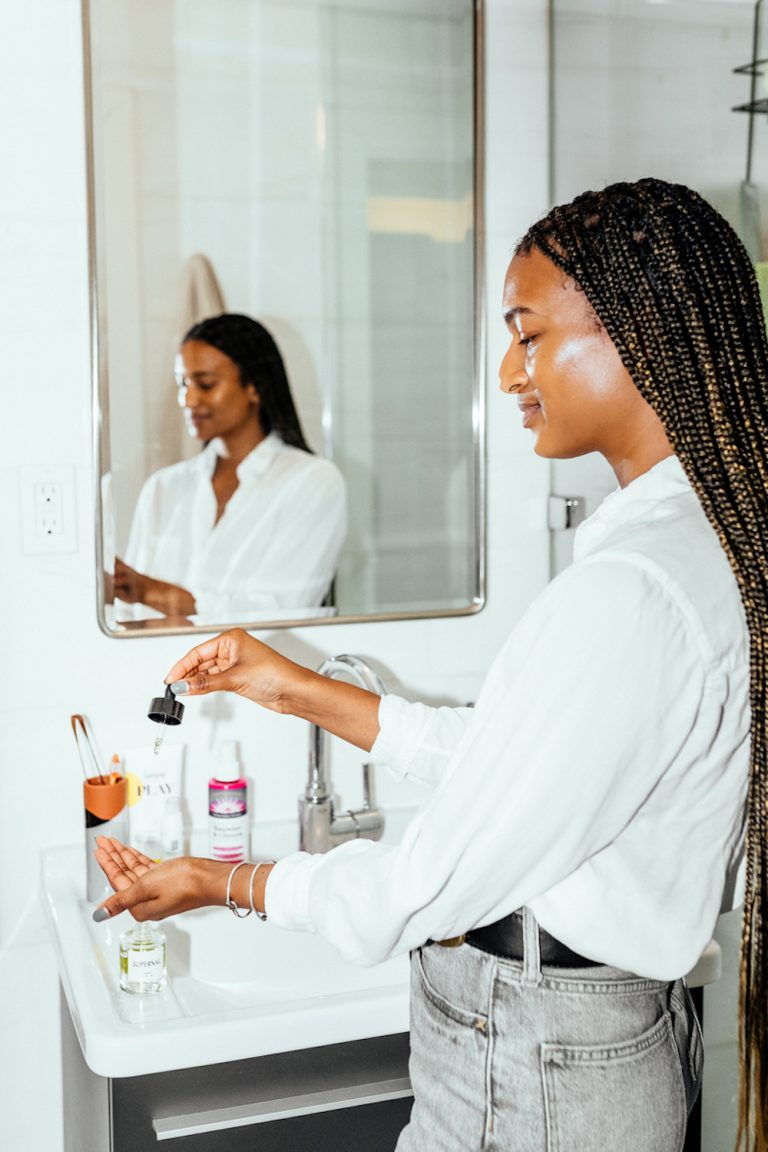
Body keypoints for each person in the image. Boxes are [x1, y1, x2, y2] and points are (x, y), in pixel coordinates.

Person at [93, 179, 768, 1151]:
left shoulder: (629, 589)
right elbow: (520, 764)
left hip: (536, 1056)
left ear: (635, 331)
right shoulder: (703, 545)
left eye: (526, 334)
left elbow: (423, 880)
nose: (507, 372)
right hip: (593, 1039)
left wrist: (222, 881)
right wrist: (297, 688)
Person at [112, 313, 347, 622]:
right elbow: (127, 615)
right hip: (161, 668)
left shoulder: (312, 482)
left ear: (255, 387)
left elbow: (282, 612)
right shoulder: (162, 488)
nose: (189, 399)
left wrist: (147, 591)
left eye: (205, 384)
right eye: (183, 383)